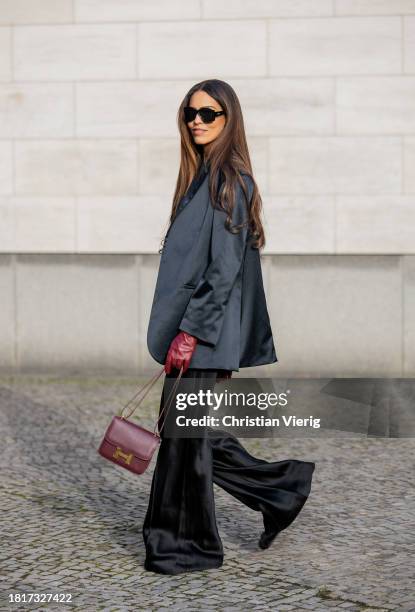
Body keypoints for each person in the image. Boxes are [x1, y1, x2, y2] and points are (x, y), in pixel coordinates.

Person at [142, 79, 315, 575]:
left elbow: (222, 273)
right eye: (190, 112)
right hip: (196, 334)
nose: (196, 120)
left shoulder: (230, 181)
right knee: (186, 436)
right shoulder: (202, 178)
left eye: (209, 113)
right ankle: (282, 489)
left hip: (200, 335)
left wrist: (192, 332)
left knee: (183, 438)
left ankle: (186, 546)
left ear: (229, 119)